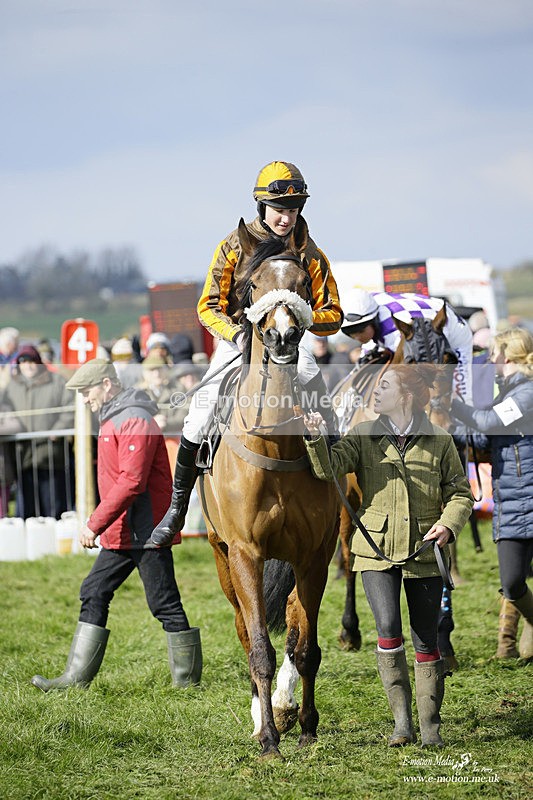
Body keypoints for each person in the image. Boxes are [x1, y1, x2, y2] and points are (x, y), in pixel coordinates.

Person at [151, 160, 342, 547]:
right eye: (278, 209)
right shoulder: (233, 245)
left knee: (319, 394)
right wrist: (237, 335)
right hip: (238, 341)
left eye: (292, 210)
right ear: (261, 207)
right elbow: (208, 305)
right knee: (199, 412)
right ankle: (176, 510)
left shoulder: (311, 252)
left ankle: (338, 482)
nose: (285, 218)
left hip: (289, 342)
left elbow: (334, 314)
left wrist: (302, 318)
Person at [303, 363, 473, 747]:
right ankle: (401, 725)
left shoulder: (440, 440)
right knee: (388, 633)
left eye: (386, 386)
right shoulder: (362, 434)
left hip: (425, 552)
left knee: (426, 640)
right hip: (374, 553)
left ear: (407, 396)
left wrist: (448, 524)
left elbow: (461, 494)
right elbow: (326, 469)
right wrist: (315, 438)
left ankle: (430, 728)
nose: (376, 393)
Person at [30, 359, 202, 692]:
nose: (84, 398)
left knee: (164, 604)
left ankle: (188, 686)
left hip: (145, 530)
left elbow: (132, 481)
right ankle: (74, 680)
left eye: (86, 390)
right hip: (124, 530)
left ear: (107, 385)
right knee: (94, 590)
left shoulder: (135, 418)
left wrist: (94, 524)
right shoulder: (117, 416)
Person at [450, 327, 533, 662]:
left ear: (509, 355)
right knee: (512, 583)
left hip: (528, 497)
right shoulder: (508, 392)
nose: (491, 361)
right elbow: (485, 436)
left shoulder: (527, 393)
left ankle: (512, 642)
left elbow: (487, 421)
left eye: (495, 354)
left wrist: (453, 405)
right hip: (512, 501)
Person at [340, 288, 474, 404]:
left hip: (452, 330)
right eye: (349, 333)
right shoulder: (365, 302)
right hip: (421, 321)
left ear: (373, 320)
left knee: (459, 396)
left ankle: (470, 432)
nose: (356, 337)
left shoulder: (394, 333)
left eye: (360, 331)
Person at [3, 345, 74, 519]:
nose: (28, 365)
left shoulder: (57, 382)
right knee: (26, 507)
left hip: (51, 455)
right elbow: (5, 411)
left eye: (31, 361)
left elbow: (71, 409)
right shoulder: (12, 386)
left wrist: (57, 431)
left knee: (53, 505)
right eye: (23, 361)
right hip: (23, 456)